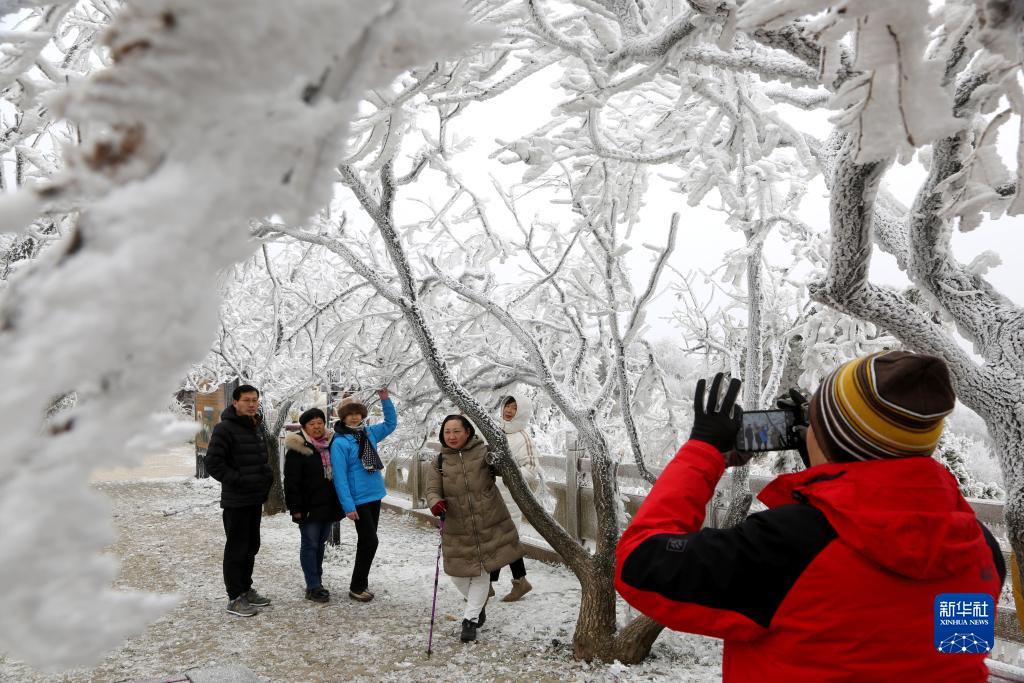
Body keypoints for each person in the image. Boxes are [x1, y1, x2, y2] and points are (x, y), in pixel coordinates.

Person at [615, 352, 1006, 681]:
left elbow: (639, 562)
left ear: (831, 438)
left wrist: (702, 451)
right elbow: (954, 652)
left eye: (816, 424)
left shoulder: (784, 548)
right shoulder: (976, 549)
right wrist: (830, 470)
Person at [426, 415, 525, 643]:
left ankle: (470, 620)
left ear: (468, 432)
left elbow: (508, 469)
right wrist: (435, 502)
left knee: (481, 572)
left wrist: (499, 458)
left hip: (488, 521)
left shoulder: (484, 453)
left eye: (456, 431)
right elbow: (432, 489)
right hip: (456, 526)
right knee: (457, 574)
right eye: (447, 432)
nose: (451, 436)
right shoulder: (439, 461)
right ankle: (477, 604)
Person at [203, 384, 274, 617]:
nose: (252, 404)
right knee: (237, 548)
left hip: (254, 498)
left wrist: (265, 478)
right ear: (235, 402)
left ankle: (245, 589)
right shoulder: (224, 428)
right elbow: (213, 464)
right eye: (246, 400)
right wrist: (240, 480)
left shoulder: (255, 425)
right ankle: (234, 597)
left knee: (251, 546)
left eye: (255, 400)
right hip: (236, 500)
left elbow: (260, 459)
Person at [331, 388, 396, 602]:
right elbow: (340, 477)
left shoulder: (369, 433)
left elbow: (390, 424)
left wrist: (385, 400)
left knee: (366, 541)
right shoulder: (340, 442)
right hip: (358, 500)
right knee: (370, 541)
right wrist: (348, 506)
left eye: (357, 413)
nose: (354, 417)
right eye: (349, 414)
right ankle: (356, 586)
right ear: (343, 417)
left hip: (374, 494)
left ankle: (360, 584)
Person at [283, 407, 343, 603]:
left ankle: (317, 581)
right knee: (310, 544)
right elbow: (291, 481)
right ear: (304, 427)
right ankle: (313, 585)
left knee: (320, 545)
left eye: (320, 423)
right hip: (308, 506)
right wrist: (295, 508)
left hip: (328, 505)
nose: (317, 427)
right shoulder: (298, 448)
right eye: (312, 424)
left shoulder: (331, 444)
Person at [489, 394, 539, 602]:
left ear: (522, 412)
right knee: (498, 540)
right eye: (507, 406)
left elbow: (532, 468)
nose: (508, 411)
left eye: (514, 408)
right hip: (490, 495)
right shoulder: (494, 431)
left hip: (509, 497)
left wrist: (508, 476)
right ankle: (518, 582)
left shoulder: (523, 437)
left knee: (504, 541)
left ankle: (491, 585)